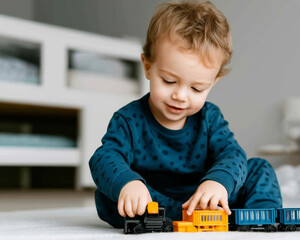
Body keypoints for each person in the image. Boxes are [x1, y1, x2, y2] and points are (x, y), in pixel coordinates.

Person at [89, 0, 282, 228]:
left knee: (259, 167)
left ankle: (258, 219)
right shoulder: (128, 119)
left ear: (213, 82)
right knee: (107, 195)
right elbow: (103, 158)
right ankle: (159, 221)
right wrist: (128, 184)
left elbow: (232, 155)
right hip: (154, 201)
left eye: (196, 88)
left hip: (207, 202)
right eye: (169, 81)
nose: (181, 96)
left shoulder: (210, 118)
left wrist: (217, 183)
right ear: (148, 66)